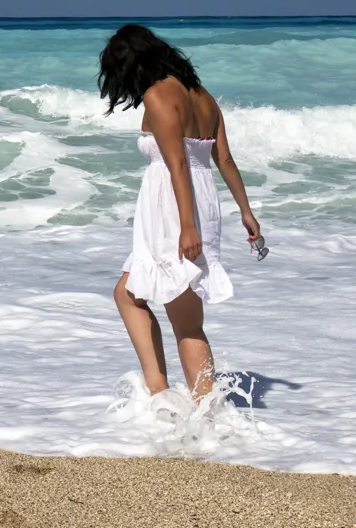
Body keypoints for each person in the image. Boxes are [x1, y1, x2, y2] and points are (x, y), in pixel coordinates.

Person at [99, 24, 262, 402]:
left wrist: (187, 227)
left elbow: (177, 166)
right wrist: (246, 211)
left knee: (174, 314)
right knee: (146, 300)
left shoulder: (159, 95)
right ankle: (185, 403)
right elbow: (224, 159)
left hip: (175, 208)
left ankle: (179, 404)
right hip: (202, 201)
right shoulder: (204, 97)